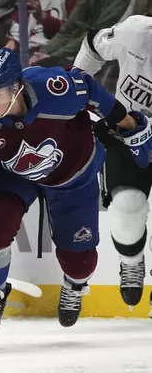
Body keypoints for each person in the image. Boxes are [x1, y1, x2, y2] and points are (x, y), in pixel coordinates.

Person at [0, 47, 152, 350]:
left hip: (74, 175)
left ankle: (75, 283)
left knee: (80, 262)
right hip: (15, 174)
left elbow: (91, 88)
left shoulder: (55, 90)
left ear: (16, 87)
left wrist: (131, 126)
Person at [74, 15, 152, 310]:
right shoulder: (136, 32)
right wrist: (75, 86)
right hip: (125, 132)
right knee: (127, 206)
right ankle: (131, 260)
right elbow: (94, 45)